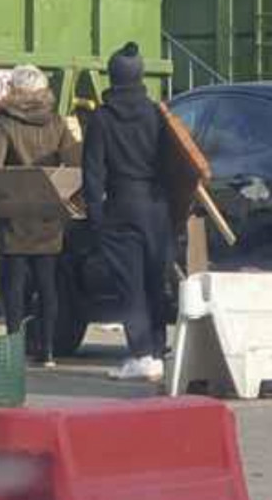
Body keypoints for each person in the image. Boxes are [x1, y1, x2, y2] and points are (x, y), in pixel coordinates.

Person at [0, 65, 79, 367]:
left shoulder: (3, 123)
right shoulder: (56, 122)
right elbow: (72, 163)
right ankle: (47, 351)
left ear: (13, 91)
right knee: (47, 285)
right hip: (48, 214)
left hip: (13, 214)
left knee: (12, 284)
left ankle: (14, 347)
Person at [83, 42, 173, 382]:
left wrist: (96, 215)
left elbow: (94, 172)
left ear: (113, 77)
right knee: (155, 281)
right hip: (156, 206)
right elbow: (170, 162)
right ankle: (159, 350)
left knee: (129, 285)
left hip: (121, 207)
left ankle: (140, 354)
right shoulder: (156, 114)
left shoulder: (102, 119)